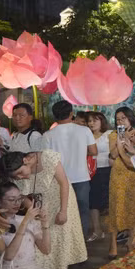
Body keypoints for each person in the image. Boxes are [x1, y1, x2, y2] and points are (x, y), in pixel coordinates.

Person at [0, 151, 88, 269]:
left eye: (20, 173)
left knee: (61, 237)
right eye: (17, 177)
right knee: (40, 237)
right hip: (39, 204)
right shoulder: (17, 172)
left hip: (61, 199)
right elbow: (23, 196)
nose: (20, 177)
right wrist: (32, 209)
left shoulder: (48, 157)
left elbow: (64, 183)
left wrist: (63, 211)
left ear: (26, 160)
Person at [43, 101, 98, 237]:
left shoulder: (48, 135)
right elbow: (93, 151)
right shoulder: (84, 130)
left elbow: (46, 160)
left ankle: (65, 245)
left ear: (54, 115)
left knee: (61, 211)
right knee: (82, 212)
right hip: (81, 178)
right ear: (71, 113)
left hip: (58, 180)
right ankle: (82, 243)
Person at [108, 107, 135, 259]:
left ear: (131, 118)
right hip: (119, 173)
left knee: (134, 207)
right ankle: (112, 243)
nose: (120, 121)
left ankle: (132, 240)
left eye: (123, 118)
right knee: (116, 206)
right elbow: (112, 154)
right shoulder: (113, 135)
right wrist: (121, 138)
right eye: (118, 119)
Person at [87, 112, 112, 242]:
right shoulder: (86, 135)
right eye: (89, 121)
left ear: (102, 121)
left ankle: (114, 232)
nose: (91, 123)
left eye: (94, 120)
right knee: (93, 201)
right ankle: (97, 230)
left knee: (109, 201)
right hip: (92, 171)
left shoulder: (109, 134)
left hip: (108, 169)